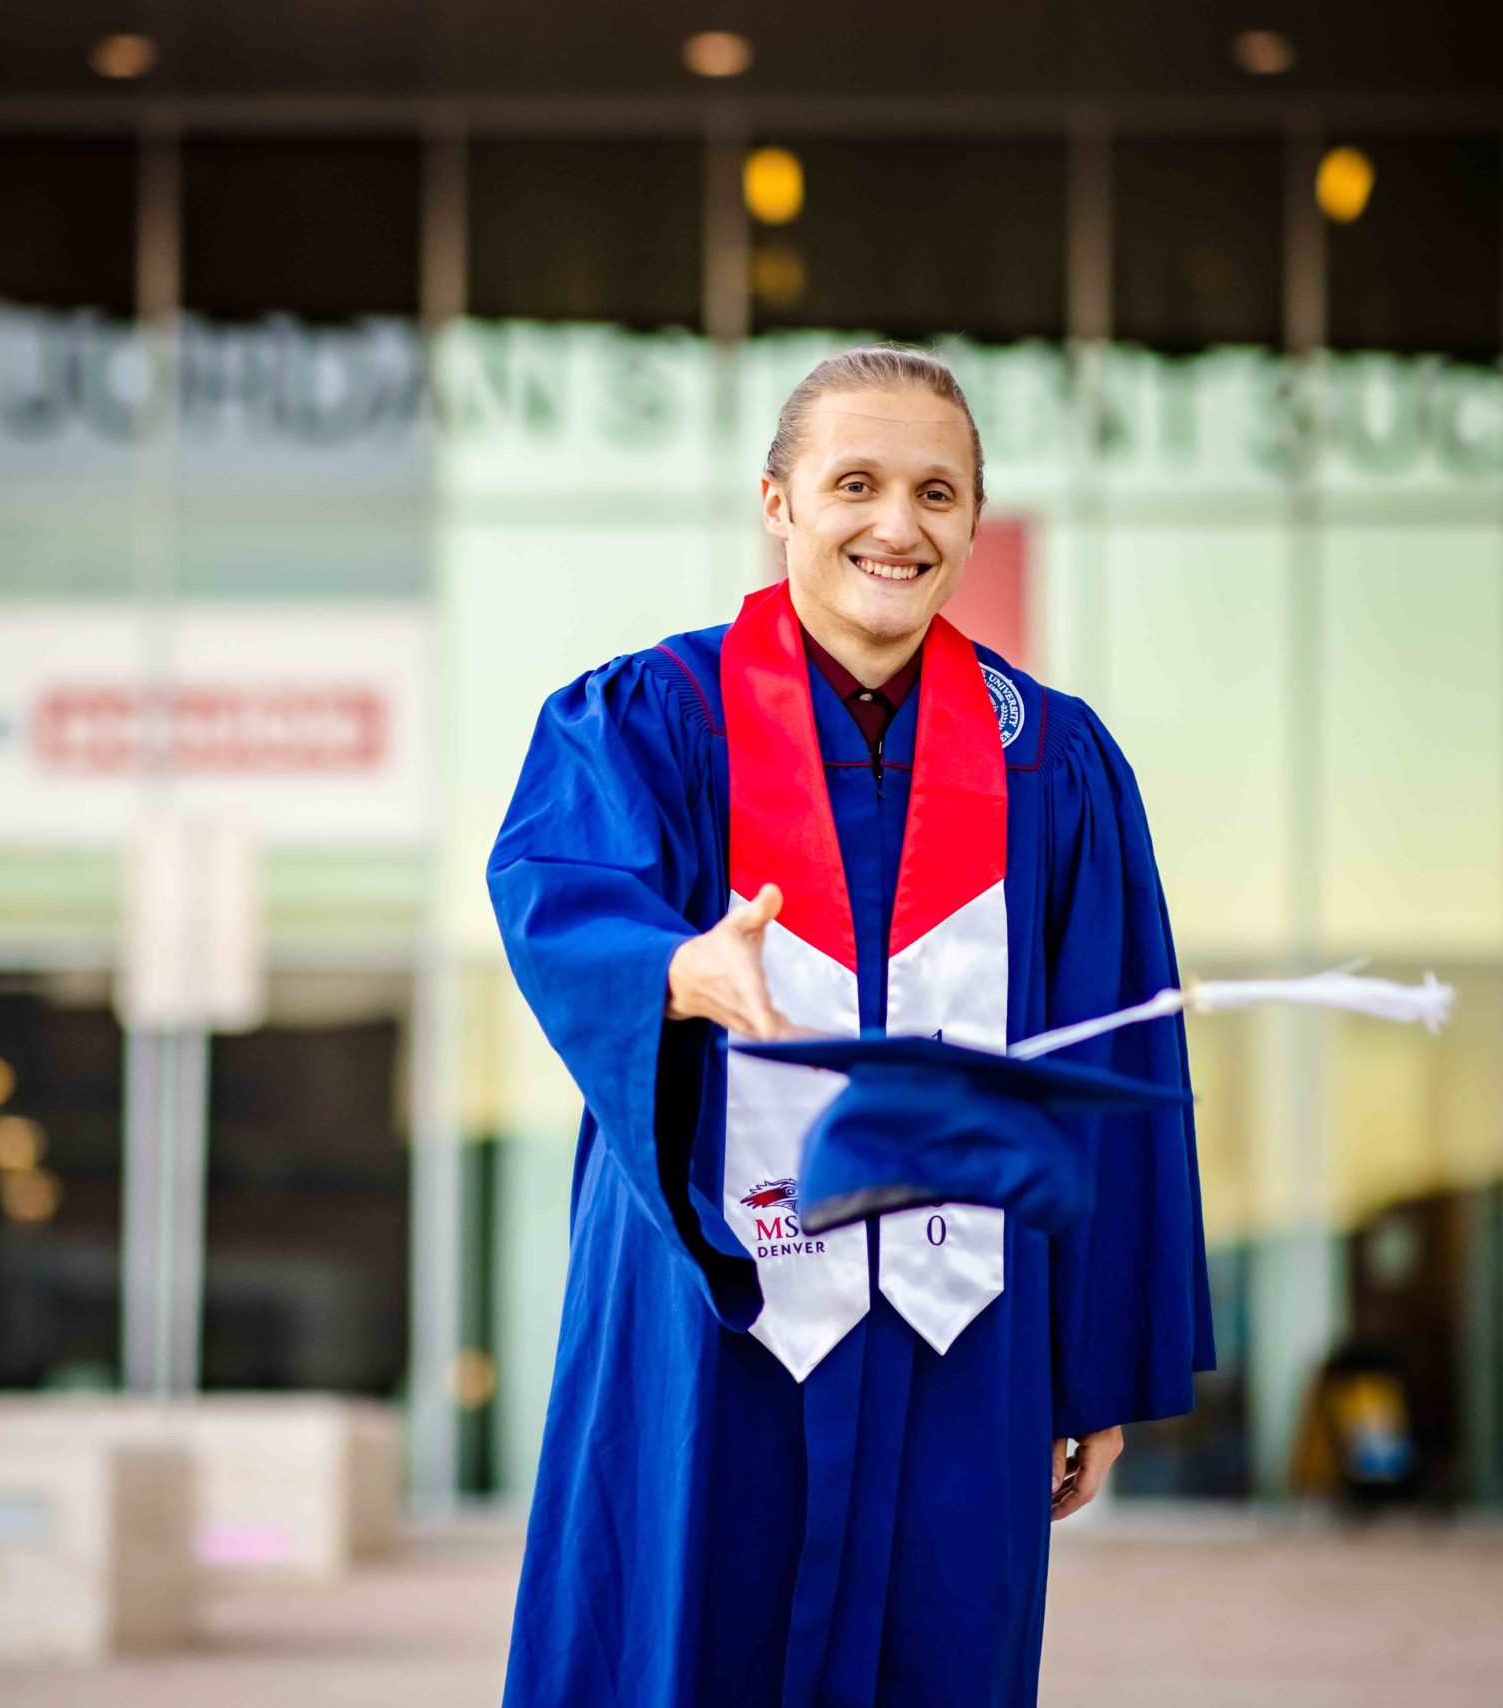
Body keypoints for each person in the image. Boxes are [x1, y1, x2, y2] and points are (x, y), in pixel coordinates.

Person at [488, 344, 1212, 1708]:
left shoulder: (1049, 761)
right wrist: (677, 965)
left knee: (941, 1651)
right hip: (719, 1309)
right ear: (777, 503)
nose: (898, 524)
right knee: (686, 1640)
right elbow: (558, 889)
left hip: (965, 1326)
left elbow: (1113, 1061)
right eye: (856, 483)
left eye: (937, 492)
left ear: (973, 523)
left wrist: (1093, 1362)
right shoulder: (656, 717)